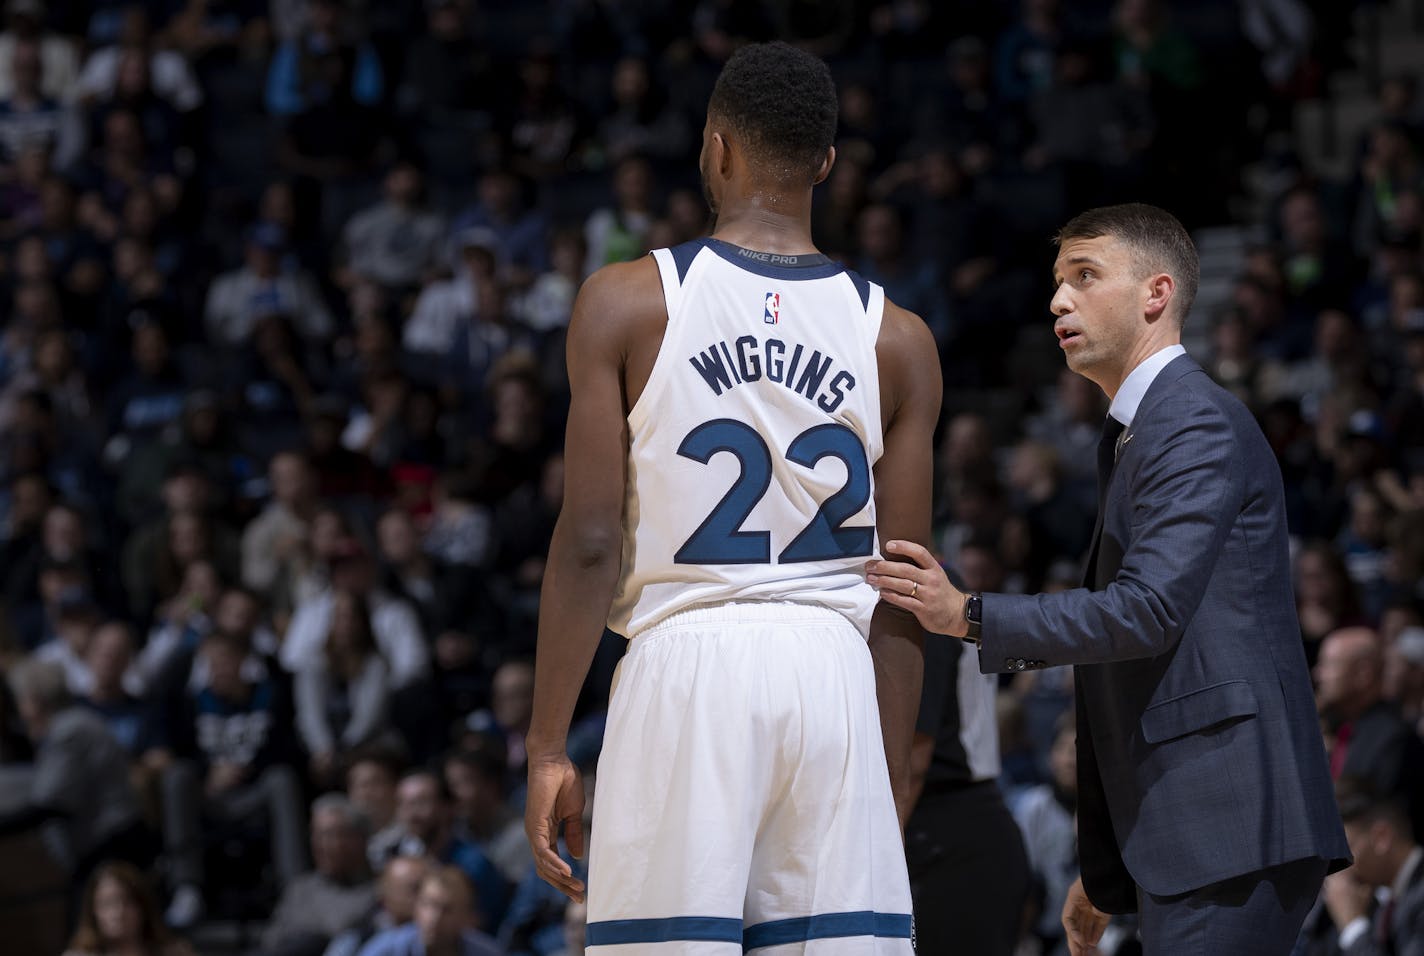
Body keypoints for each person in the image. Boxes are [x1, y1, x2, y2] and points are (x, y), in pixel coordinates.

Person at [525, 41, 940, 952]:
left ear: (715, 149)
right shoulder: (899, 339)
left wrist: (549, 745)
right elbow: (907, 586)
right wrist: (893, 770)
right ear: (826, 165)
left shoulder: (627, 302)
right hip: (835, 670)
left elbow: (591, 539)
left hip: (688, 661)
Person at [867, 203, 1350, 954]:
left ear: (1155, 295)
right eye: (1057, 282)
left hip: (1232, 823)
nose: (1058, 300)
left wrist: (968, 614)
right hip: (1192, 830)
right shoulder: (1139, 428)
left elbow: (1145, 612)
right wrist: (1108, 867)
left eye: (1084, 278)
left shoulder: (1192, 421)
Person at [1325, 778, 1424, 956]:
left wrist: (1353, 926)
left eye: (1348, 848)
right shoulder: (1381, 901)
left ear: (1381, 837)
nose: (1341, 868)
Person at [358, 866, 503, 956]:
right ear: (416, 907)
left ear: (467, 917)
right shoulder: (386, 950)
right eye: (427, 905)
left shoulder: (487, 952)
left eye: (447, 909)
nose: (434, 917)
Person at [63, 862, 194, 956]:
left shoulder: (175, 952)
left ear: (143, 906)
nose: (118, 912)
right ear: (93, 911)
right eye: (107, 903)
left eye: (127, 901)